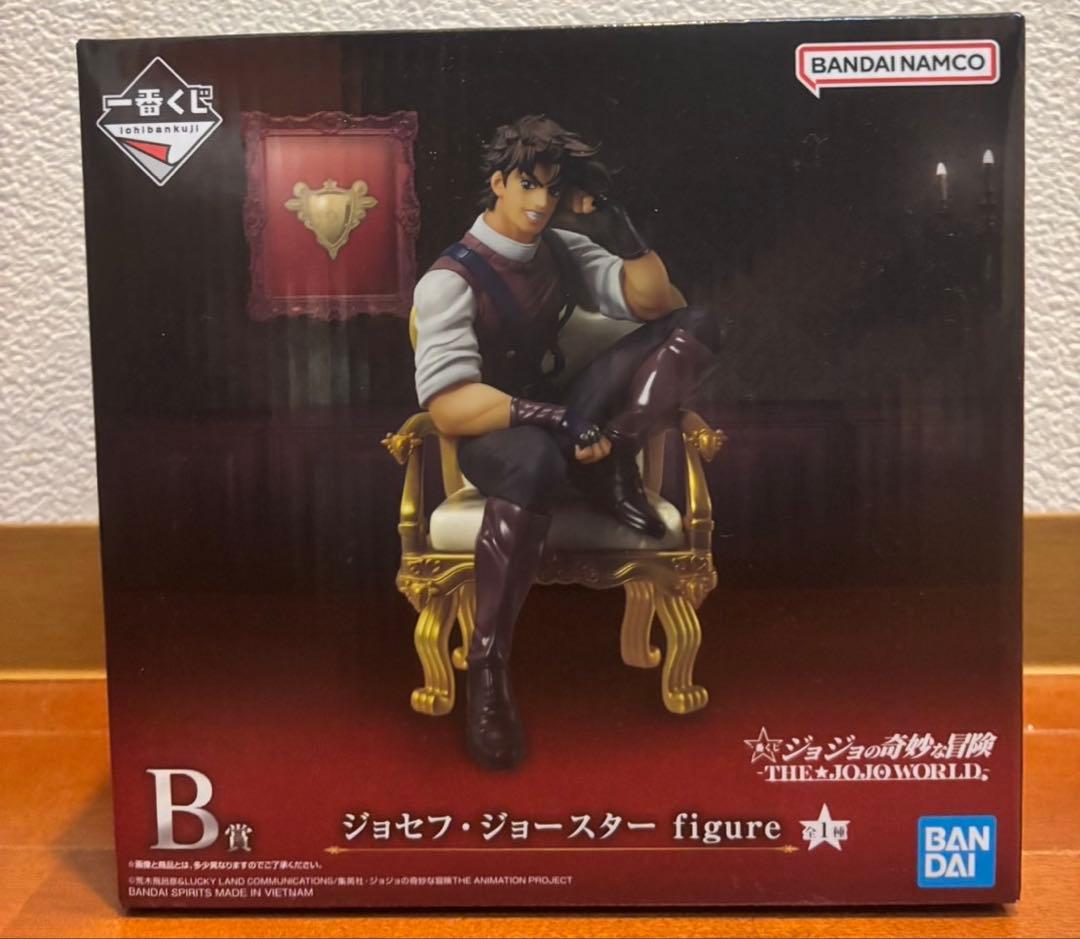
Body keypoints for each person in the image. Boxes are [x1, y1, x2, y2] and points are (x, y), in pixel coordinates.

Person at [413, 115, 716, 770]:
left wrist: (622, 230)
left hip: (573, 416)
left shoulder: (561, 248)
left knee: (695, 324)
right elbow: (449, 405)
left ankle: (611, 460)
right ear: (498, 182)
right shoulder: (448, 281)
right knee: (534, 460)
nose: (542, 202)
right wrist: (554, 419)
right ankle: (488, 671)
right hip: (499, 434)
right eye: (528, 184)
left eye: (552, 188)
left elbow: (658, 305)